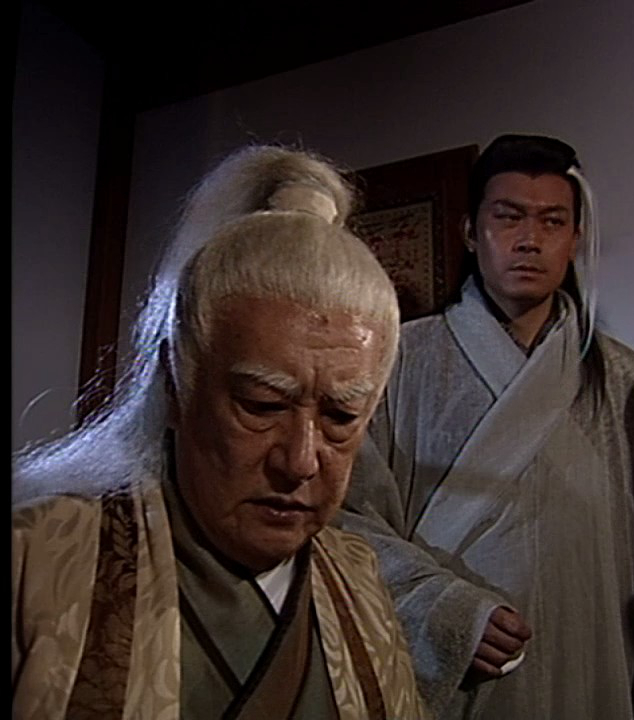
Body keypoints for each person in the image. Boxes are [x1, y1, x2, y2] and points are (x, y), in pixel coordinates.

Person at [12, 145, 429, 719]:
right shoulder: (36, 559)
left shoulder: (359, 580)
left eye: (340, 417)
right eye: (262, 405)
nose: (300, 461)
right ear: (175, 385)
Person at [339, 133, 634, 719]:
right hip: (457, 668)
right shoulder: (398, 360)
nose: (529, 240)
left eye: (552, 222)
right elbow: (346, 516)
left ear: (575, 239)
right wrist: (442, 607)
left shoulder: (622, 376)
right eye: (508, 217)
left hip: (592, 654)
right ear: (471, 231)